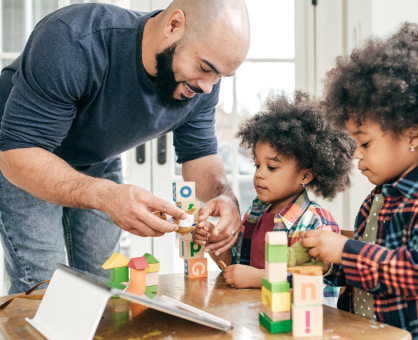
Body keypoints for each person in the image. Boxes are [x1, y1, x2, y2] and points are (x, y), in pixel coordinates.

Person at [0, 0, 249, 294]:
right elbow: (17, 153)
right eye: (205, 68)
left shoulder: (203, 82)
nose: (208, 87)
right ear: (173, 25)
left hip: (96, 158)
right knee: (44, 289)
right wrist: (105, 194)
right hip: (23, 152)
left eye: (219, 76)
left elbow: (201, 155)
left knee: (106, 283)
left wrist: (226, 198)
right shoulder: (73, 39)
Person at [300, 23, 418, 339]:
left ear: (412, 134)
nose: (356, 155)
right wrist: (331, 264)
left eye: (366, 143)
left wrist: (345, 249)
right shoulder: (377, 200)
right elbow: (372, 270)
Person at [194, 92, 354, 301]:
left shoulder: (316, 222)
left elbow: (314, 279)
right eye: (257, 165)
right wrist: (216, 244)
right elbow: (238, 266)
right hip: (255, 315)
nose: (259, 173)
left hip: (300, 323)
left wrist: (258, 278)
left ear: (305, 175)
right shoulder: (255, 214)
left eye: (271, 167)